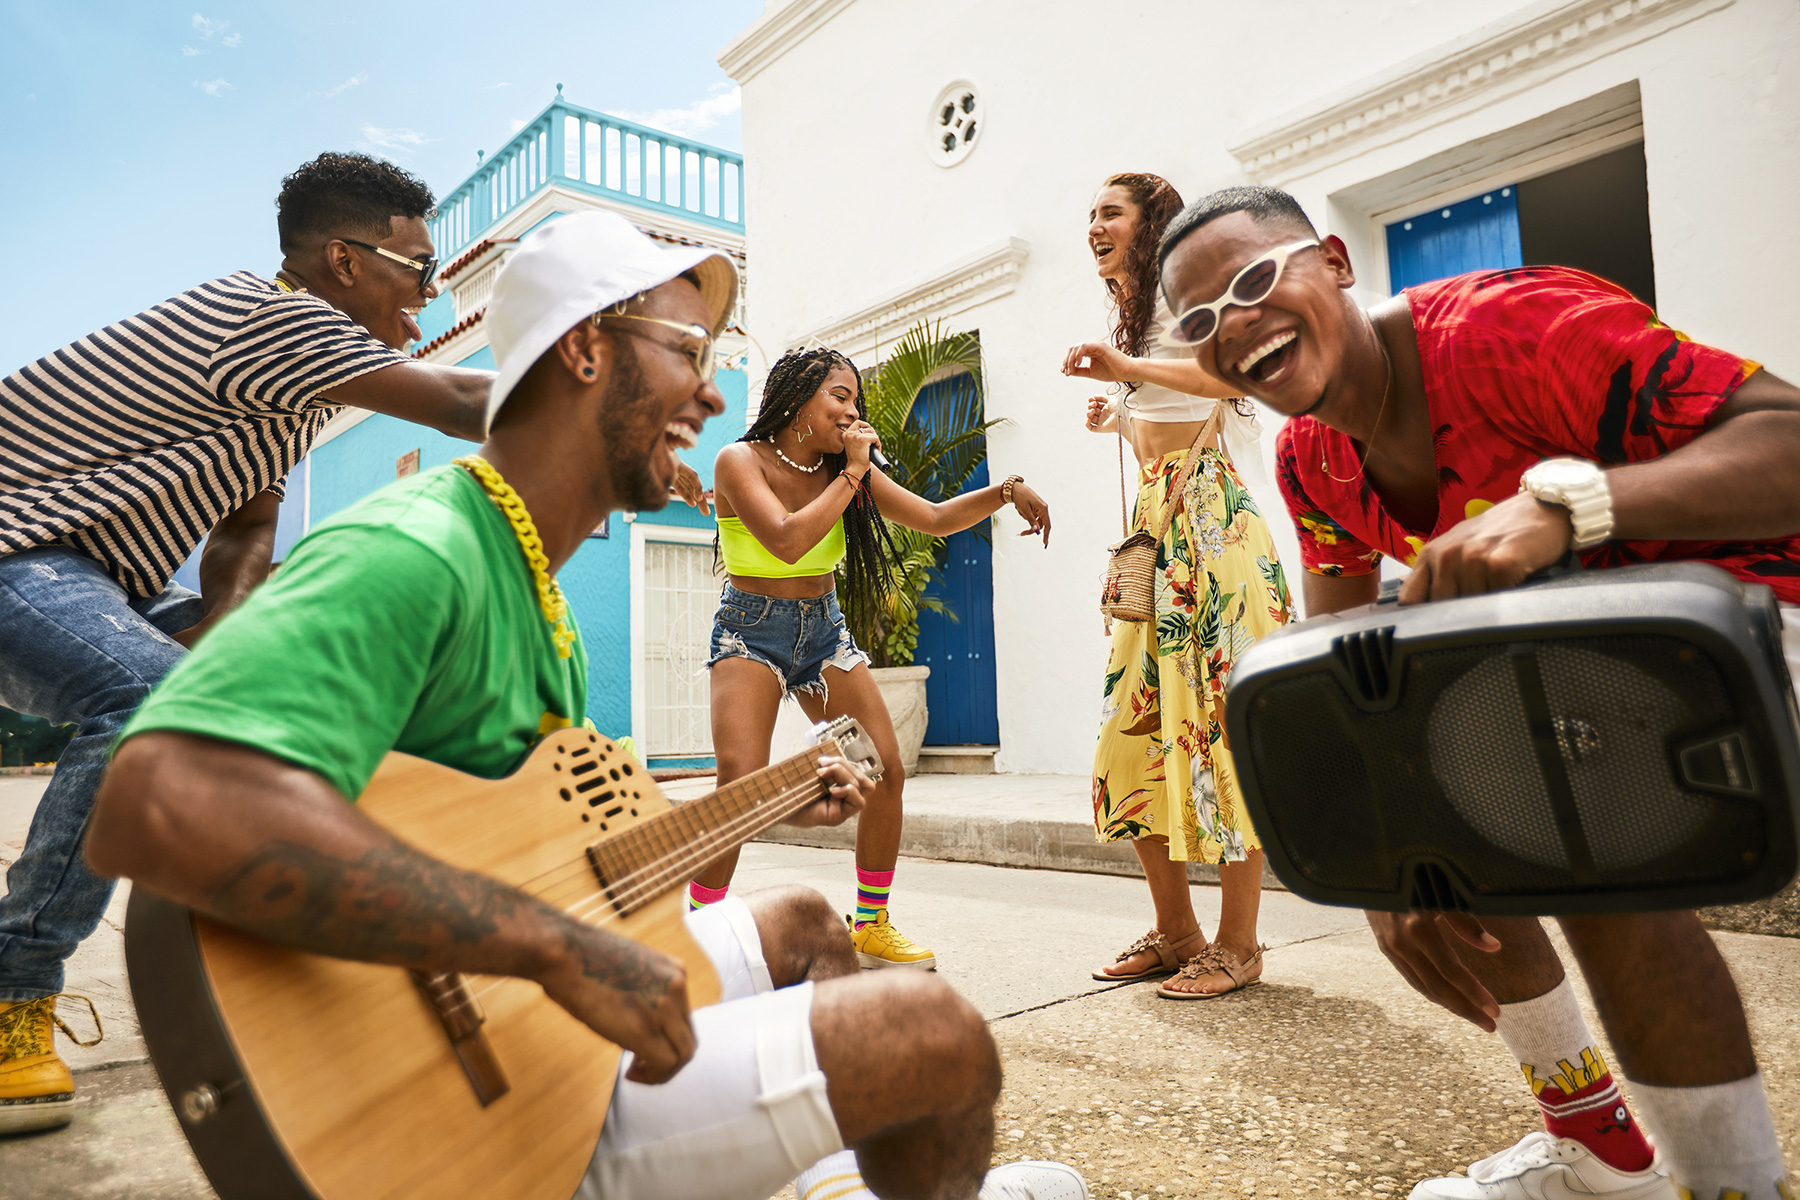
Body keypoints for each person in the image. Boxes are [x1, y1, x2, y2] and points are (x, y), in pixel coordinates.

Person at [85, 211, 1087, 1200]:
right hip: (487, 1112)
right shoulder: (420, 549)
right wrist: (554, 947)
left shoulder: (525, 575)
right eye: (685, 350)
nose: (705, 391)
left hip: (532, 1024)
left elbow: (562, 867)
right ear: (582, 350)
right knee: (935, 1034)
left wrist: (760, 803)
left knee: (807, 924)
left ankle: (833, 1186)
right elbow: (162, 797)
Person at [1157, 184, 1795, 1200]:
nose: (1233, 325)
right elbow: (1347, 660)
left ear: (1335, 260)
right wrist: (1390, 862)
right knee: (1453, 816)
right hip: (1623, 662)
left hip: (1760, 617)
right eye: (1199, 322)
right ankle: (1595, 1145)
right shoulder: (1311, 457)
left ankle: (1735, 1187)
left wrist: (1570, 505)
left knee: (1578, 826)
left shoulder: (1514, 327)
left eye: (1253, 280)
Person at [0, 151, 495, 1133]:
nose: (427, 295)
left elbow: (241, 535)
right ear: (345, 262)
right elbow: (466, 406)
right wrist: (611, 380)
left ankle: (277, 943)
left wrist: (238, 666)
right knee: (148, 703)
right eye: (418, 269)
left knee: (296, 681)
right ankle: (13, 997)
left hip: (86, 573)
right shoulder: (285, 321)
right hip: (17, 544)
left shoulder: (293, 382)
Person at [686, 345, 1053, 969]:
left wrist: (1007, 491)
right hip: (752, 629)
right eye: (840, 396)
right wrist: (854, 474)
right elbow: (788, 540)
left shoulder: (842, 468)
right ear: (799, 396)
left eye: (856, 399)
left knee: (884, 767)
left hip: (823, 631)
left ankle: (871, 923)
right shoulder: (738, 461)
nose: (852, 412)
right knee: (739, 785)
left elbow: (934, 518)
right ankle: (698, 931)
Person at [1061, 173, 1293, 999]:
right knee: (1133, 728)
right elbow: (1167, 409)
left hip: (1213, 522)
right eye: (1090, 214)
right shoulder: (1136, 315)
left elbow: (1235, 380)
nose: (1094, 225)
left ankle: (1239, 943)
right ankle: (1175, 931)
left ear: (1150, 222)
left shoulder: (1185, 291)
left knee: (1225, 728)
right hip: (1157, 524)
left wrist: (1124, 367)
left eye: (1109, 212)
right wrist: (1118, 414)